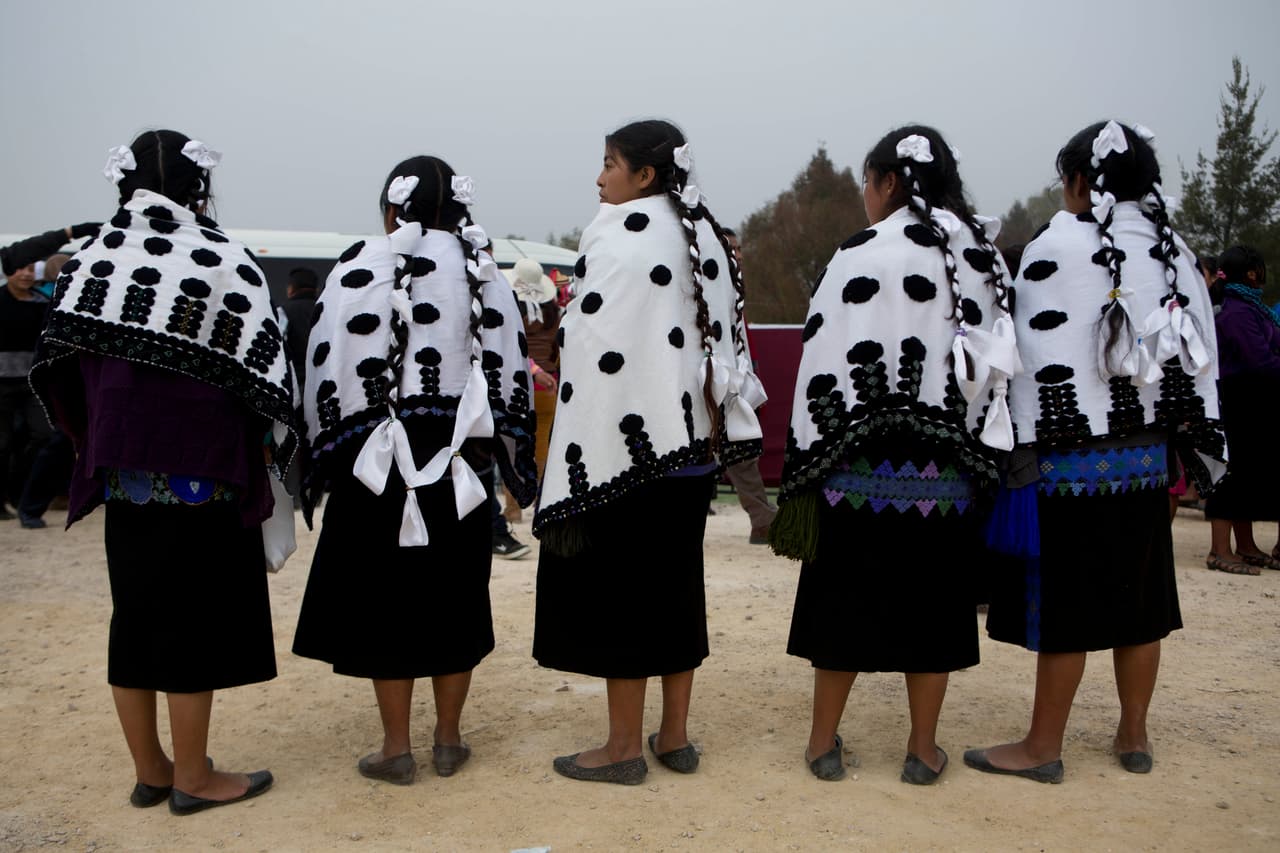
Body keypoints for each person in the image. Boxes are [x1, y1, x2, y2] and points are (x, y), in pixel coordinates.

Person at [30, 129, 294, 813]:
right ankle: (195, 778)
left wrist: (97, 436)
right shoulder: (218, 259)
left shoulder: (95, 259)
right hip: (202, 469)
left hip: (124, 472)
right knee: (193, 621)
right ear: (196, 185)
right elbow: (265, 374)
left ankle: (153, 768)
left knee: (138, 614)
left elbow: (57, 362)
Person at [969, 121, 1224, 782]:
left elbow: (1021, 356)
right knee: (1141, 606)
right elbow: (1199, 366)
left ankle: (1042, 747)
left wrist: (1007, 449)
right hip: (1145, 468)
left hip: (1066, 471)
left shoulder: (1058, 247)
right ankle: (1133, 734)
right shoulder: (1173, 253)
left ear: (1081, 181)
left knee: (1068, 611)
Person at [770, 125, 1017, 784]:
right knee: (935, 605)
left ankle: (823, 742)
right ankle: (922, 748)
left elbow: (819, 358)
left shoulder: (857, 253)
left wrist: (805, 464)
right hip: (948, 471)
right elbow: (997, 368)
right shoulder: (981, 257)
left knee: (841, 599)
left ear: (887, 182)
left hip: (854, 468)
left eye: (867, 183)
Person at [532, 119, 764, 785]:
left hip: (626, 453)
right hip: (690, 451)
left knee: (622, 595)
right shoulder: (706, 236)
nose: (599, 177)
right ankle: (676, 735)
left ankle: (623, 747)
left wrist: (554, 336)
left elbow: (595, 338)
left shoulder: (616, 230)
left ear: (644, 176)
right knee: (675, 587)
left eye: (609, 163)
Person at [292, 156, 537, 785]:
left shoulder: (358, 265)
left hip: (372, 469)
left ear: (391, 208)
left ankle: (395, 748)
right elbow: (511, 382)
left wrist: (327, 455)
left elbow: (328, 367)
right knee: (455, 598)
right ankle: (449, 739)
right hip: (460, 465)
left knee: (385, 603)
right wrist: (509, 463)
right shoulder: (484, 274)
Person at [1202, 245, 1280, 573]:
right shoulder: (1237, 313)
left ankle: (1245, 546)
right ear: (1251, 273)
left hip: (1254, 403)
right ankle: (1219, 550)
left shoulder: (1253, 309)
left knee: (1245, 477)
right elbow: (1260, 360)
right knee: (1231, 475)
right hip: (1239, 402)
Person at [719, 228, 777, 544]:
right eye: (732, 249)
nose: (738, 255)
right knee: (737, 452)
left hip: (734, 377)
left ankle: (762, 519)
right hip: (712, 378)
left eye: (740, 249)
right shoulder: (708, 287)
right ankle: (762, 518)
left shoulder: (733, 287)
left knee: (741, 451)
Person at [0, 258, 53, 526]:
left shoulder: (43, 303)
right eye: (19, 268)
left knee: (44, 436)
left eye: (31, 269)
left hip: (33, 382)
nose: (25, 274)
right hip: (2, 382)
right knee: (3, 442)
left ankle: (23, 496)